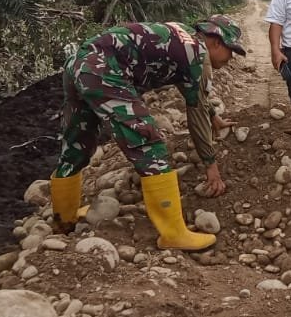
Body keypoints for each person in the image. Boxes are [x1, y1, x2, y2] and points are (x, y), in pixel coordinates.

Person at [47, 16, 246, 252]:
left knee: (77, 144)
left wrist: (214, 117)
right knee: (148, 143)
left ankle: (64, 220)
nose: (230, 59)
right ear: (216, 42)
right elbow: (196, 113)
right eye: (231, 51)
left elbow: (193, 91)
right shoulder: (199, 54)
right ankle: (174, 234)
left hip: (79, 64)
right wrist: (211, 167)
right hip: (105, 70)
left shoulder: (184, 38)